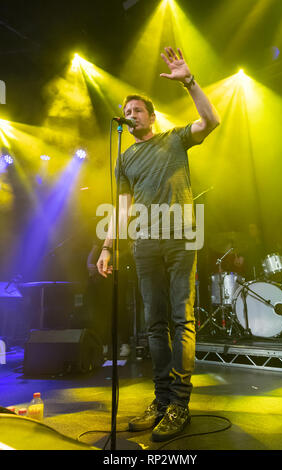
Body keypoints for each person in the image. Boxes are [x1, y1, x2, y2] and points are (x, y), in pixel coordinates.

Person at [97, 47, 220, 442]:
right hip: (145, 242)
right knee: (154, 323)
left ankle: (179, 404)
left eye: (136, 110)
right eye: (126, 111)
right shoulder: (126, 158)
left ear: (150, 116)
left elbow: (212, 120)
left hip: (181, 237)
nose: (129, 115)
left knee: (181, 319)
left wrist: (189, 81)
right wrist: (107, 246)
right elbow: (120, 207)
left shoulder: (173, 139)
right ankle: (162, 399)